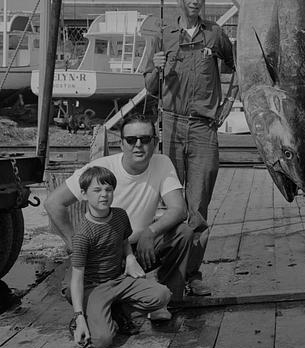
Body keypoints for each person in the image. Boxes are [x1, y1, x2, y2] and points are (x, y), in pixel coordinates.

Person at [45, 112, 198, 323]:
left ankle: (163, 302)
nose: (138, 145)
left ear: (155, 142)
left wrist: (150, 232)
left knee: (184, 233)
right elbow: (53, 202)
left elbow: (179, 209)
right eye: (131, 140)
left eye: (145, 139)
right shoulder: (103, 168)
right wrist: (74, 244)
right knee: (73, 292)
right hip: (101, 254)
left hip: (139, 247)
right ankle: (120, 306)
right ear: (122, 144)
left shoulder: (162, 163)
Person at [144, 0, 235, 297]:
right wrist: (155, 68)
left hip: (203, 129)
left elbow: (240, 67)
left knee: (198, 205)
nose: (195, 1)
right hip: (171, 124)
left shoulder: (216, 34)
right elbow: (149, 88)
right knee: (172, 203)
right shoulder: (162, 36)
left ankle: (192, 274)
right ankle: (170, 271)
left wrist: (228, 104)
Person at [69, 164, 171, 348]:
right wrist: (79, 316)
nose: (104, 194)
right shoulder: (83, 233)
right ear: (84, 194)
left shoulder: (120, 215)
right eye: (97, 190)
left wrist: (130, 258)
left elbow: (124, 242)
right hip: (94, 287)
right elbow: (77, 278)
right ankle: (89, 319)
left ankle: (117, 313)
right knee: (102, 341)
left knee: (162, 295)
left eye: (108, 189)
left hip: (118, 279)